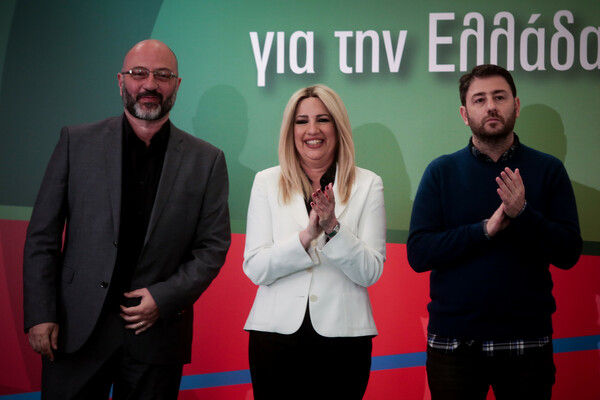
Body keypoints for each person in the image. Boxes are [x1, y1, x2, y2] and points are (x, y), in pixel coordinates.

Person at [23, 39, 231, 400]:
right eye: (139, 73)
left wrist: (164, 298)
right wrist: (41, 313)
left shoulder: (207, 160)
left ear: (177, 84)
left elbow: (212, 248)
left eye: (162, 75)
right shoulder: (76, 142)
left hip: (157, 333)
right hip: (75, 328)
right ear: (121, 81)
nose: (150, 84)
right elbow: (43, 236)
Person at [407, 64, 582, 399]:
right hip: (454, 346)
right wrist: (484, 230)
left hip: (527, 345)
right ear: (464, 114)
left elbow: (569, 252)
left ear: (516, 105)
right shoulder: (441, 172)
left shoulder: (548, 170)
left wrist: (523, 215)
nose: (490, 106)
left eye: (499, 97)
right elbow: (419, 253)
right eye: (479, 99)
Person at [243, 84, 386, 400]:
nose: (312, 130)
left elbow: (370, 272)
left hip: (344, 340)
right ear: (290, 130)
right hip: (274, 337)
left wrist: (333, 227)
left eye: (323, 119)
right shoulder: (266, 182)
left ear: (338, 126)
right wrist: (306, 237)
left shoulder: (368, 184)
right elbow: (256, 268)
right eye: (301, 121)